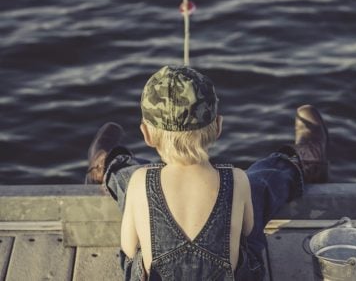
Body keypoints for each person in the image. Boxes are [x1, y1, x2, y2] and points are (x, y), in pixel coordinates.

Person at [85, 65, 329, 281]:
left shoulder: (140, 181)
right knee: (256, 184)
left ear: (146, 134)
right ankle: (299, 161)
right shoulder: (237, 179)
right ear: (219, 126)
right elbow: (248, 232)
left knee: (134, 181)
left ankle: (109, 164)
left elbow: (128, 252)